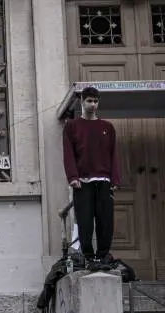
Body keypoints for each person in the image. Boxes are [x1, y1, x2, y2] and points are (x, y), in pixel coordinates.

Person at [62, 86, 120, 271]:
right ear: (82, 101)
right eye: (89, 101)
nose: (93, 105)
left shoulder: (107, 127)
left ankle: (103, 256)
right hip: (82, 182)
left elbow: (114, 155)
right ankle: (89, 258)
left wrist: (115, 180)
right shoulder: (72, 126)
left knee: (105, 221)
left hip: (104, 181)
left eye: (95, 101)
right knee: (85, 221)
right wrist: (72, 176)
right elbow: (68, 154)